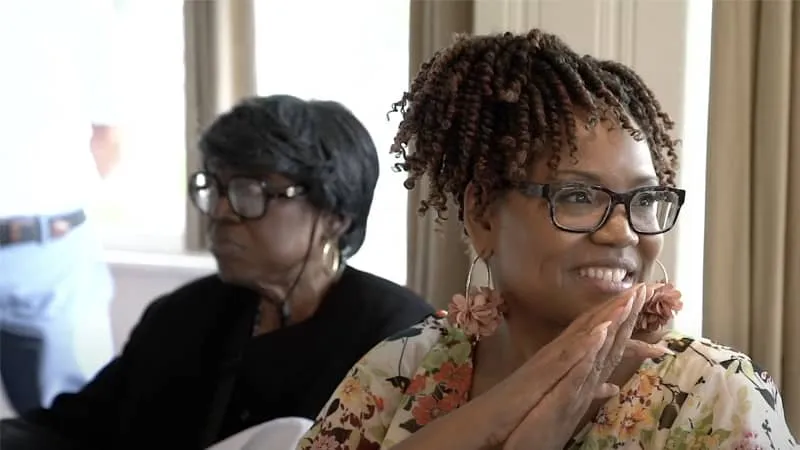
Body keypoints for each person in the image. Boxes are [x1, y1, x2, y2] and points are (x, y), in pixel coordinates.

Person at [297, 29, 799, 450]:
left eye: (644, 200)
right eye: (578, 195)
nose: (621, 230)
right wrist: (511, 405)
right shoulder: (401, 370)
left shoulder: (715, 394)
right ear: (482, 215)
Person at [0, 95, 434, 449]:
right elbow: (70, 429)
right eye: (216, 187)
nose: (222, 212)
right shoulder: (182, 315)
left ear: (334, 214)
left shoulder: (396, 338)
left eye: (250, 191)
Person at [0, 0, 120, 414]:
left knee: (77, 420)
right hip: (47, 242)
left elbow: (108, 139)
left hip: (50, 255)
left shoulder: (83, 12)